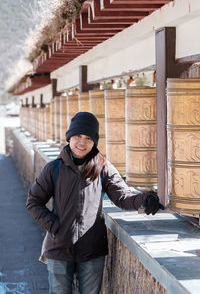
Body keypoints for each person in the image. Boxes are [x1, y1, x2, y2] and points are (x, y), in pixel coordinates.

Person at [26, 111, 164, 294]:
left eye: (88, 138)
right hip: (59, 247)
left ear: (94, 141)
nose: (82, 142)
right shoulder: (54, 168)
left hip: (92, 250)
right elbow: (33, 201)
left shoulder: (103, 168)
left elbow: (122, 197)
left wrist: (145, 199)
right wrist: (54, 225)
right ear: (69, 138)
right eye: (77, 136)